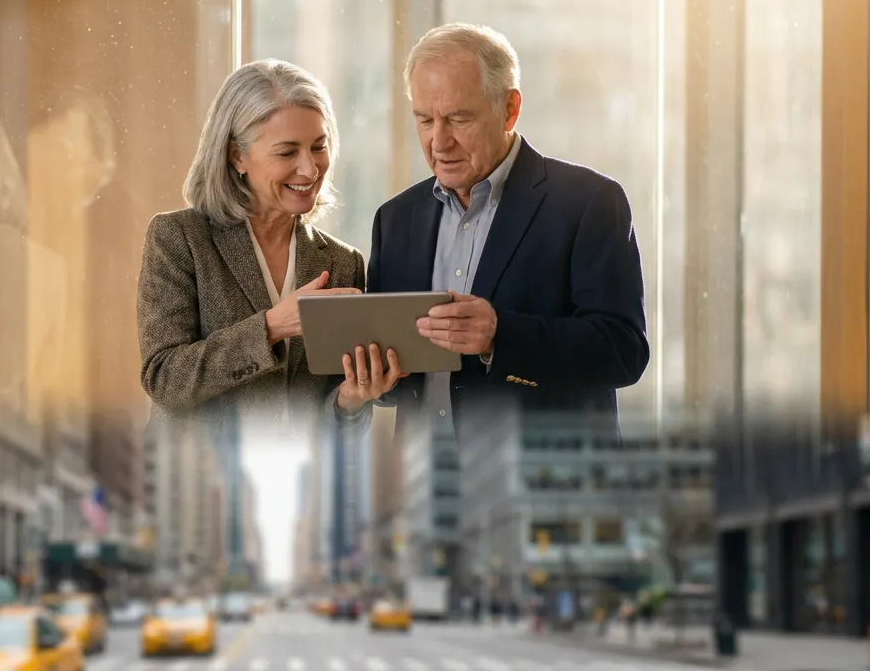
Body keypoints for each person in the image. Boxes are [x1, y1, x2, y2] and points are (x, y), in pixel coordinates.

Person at [366, 23, 648, 440]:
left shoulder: (588, 202)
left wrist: (500, 335)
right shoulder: (395, 219)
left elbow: (623, 351)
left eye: (457, 118)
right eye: (424, 119)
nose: (438, 142)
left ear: (510, 109)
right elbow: (394, 389)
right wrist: (374, 373)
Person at [138, 59, 404, 433]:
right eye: (287, 152)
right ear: (237, 156)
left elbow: (336, 427)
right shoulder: (180, 239)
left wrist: (352, 400)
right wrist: (270, 328)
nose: (310, 169)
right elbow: (165, 379)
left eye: (319, 147)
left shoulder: (344, 263)